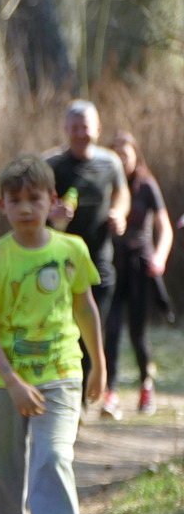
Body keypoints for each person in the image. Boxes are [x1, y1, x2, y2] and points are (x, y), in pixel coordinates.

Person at [0, 154, 104, 514]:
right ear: (2, 205)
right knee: (3, 472)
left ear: (53, 202)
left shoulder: (72, 251)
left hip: (61, 374)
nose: (26, 207)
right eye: (16, 199)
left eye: (35, 198)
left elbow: (85, 309)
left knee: (52, 459)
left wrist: (98, 365)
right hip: (3, 380)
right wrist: (11, 381)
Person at [45, 100, 128, 406]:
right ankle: (69, 397)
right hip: (60, 264)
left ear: (98, 129)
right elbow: (33, 202)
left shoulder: (110, 163)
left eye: (86, 127)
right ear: (66, 130)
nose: (81, 133)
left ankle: (81, 395)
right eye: (75, 127)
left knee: (92, 332)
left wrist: (119, 213)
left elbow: (122, 194)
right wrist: (52, 213)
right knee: (67, 330)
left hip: (100, 264)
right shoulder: (52, 164)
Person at [100, 130, 173, 418]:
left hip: (140, 266)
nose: (121, 157)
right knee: (112, 329)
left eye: (125, 153)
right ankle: (111, 392)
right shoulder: (107, 184)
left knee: (137, 333)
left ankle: (146, 385)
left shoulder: (146, 185)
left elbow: (165, 226)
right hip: (112, 265)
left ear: (135, 155)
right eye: (115, 152)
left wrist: (160, 256)